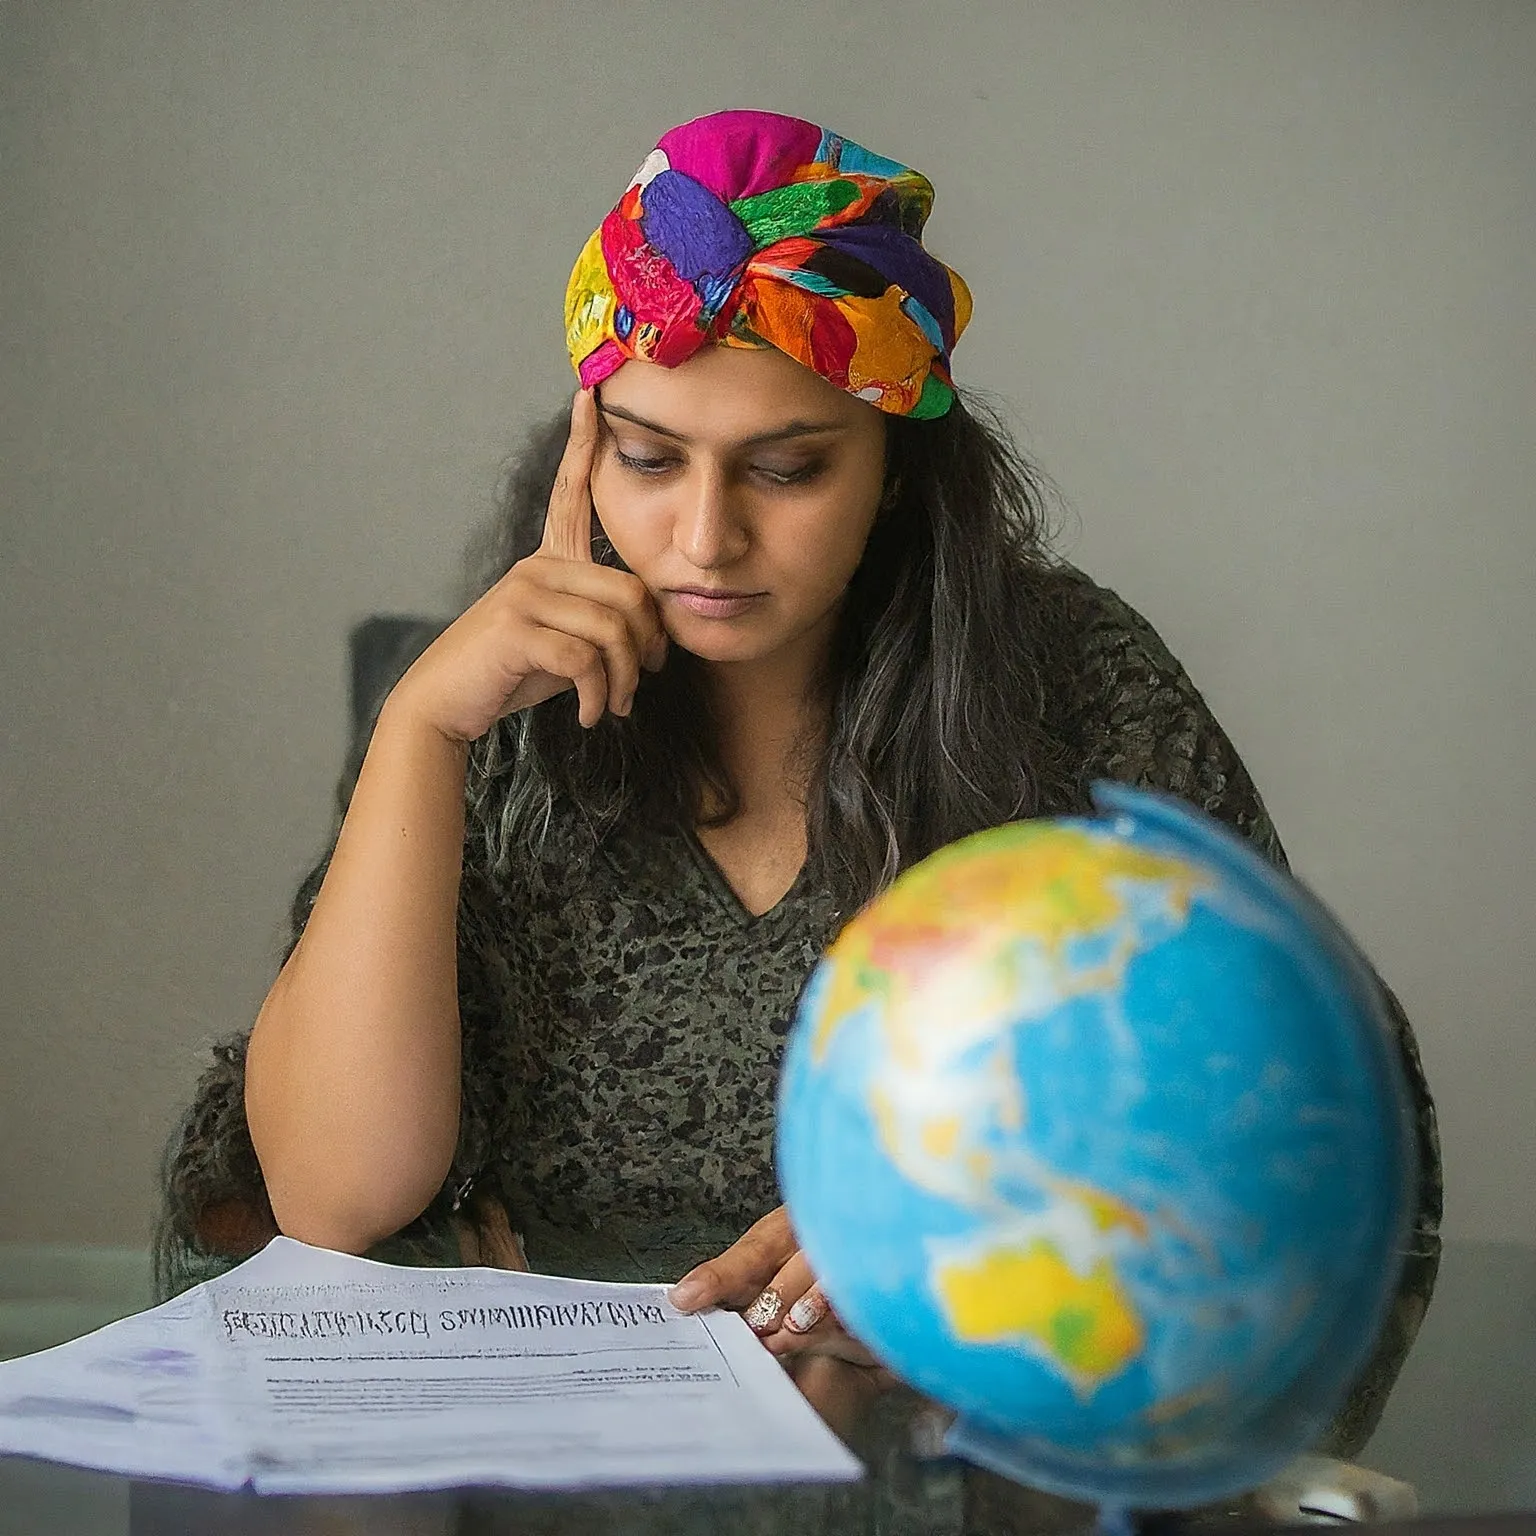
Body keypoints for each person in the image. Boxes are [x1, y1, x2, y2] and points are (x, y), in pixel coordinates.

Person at [156, 109, 1440, 1455]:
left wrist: (942, 1241)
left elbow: (1326, 1125)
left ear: (894, 469)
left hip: (971, 1464)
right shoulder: (496, 727)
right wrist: (421, 729)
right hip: (559, 1476)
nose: (706, 538)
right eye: (650, 461)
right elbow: (329, 1201)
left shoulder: (1079, 688)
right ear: (584, 455)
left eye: (790, 468)